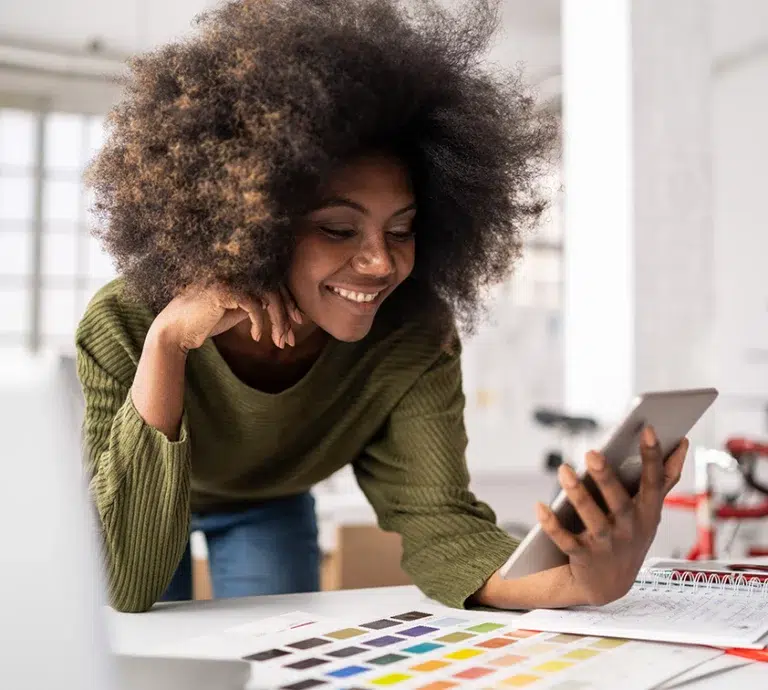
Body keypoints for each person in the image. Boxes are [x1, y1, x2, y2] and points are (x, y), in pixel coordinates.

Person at [77, 0, 688, 614]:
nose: (380, 263)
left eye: (402, 230)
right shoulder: (127, 324)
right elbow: (125, 582)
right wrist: (165, 347)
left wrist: (580, 582)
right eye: (339, 230)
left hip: (273, 502)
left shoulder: (413, 337)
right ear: (254, 223)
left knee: (271, 663)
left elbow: (440, 522)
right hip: (138, 492)